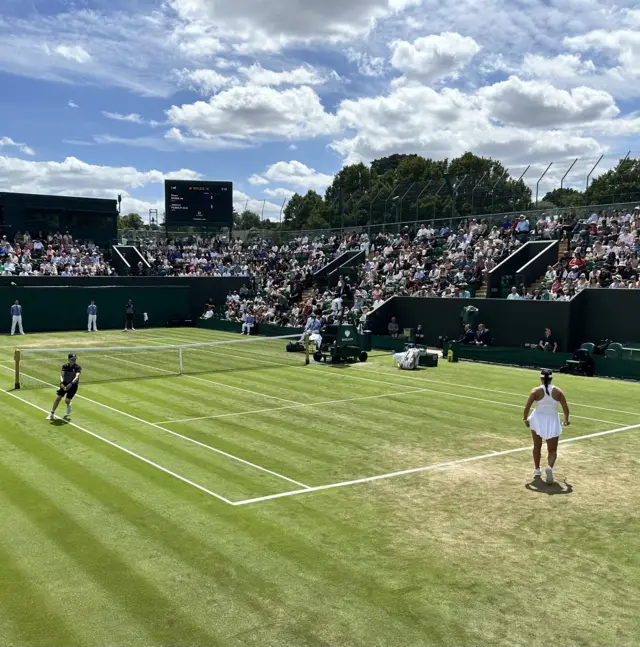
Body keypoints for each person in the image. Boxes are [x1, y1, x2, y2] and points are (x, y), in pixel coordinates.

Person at [523, 369, 570, 483]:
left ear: (541, 378)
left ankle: (537, 469)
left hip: (537, 420)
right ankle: (549, 467)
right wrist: (566, 420)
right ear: (551, 379)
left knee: (536, 446)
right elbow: (565, 408)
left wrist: (525, 419)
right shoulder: (558, 391)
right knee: (552, 450)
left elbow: (527, 407)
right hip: (552, 421)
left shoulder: (535, 391)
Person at [46, 353, 82, 420]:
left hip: (73, 386)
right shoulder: (65, 366)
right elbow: (61, 376)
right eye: (72, 359)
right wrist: (62, 383)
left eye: (74, 359)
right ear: (69, 359)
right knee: (58, 398)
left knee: (67, 400)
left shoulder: (77, 367)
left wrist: (71, 384)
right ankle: (51, 414)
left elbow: (77, 377)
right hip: (65, 384)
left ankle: (69, 404)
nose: (74, 360)